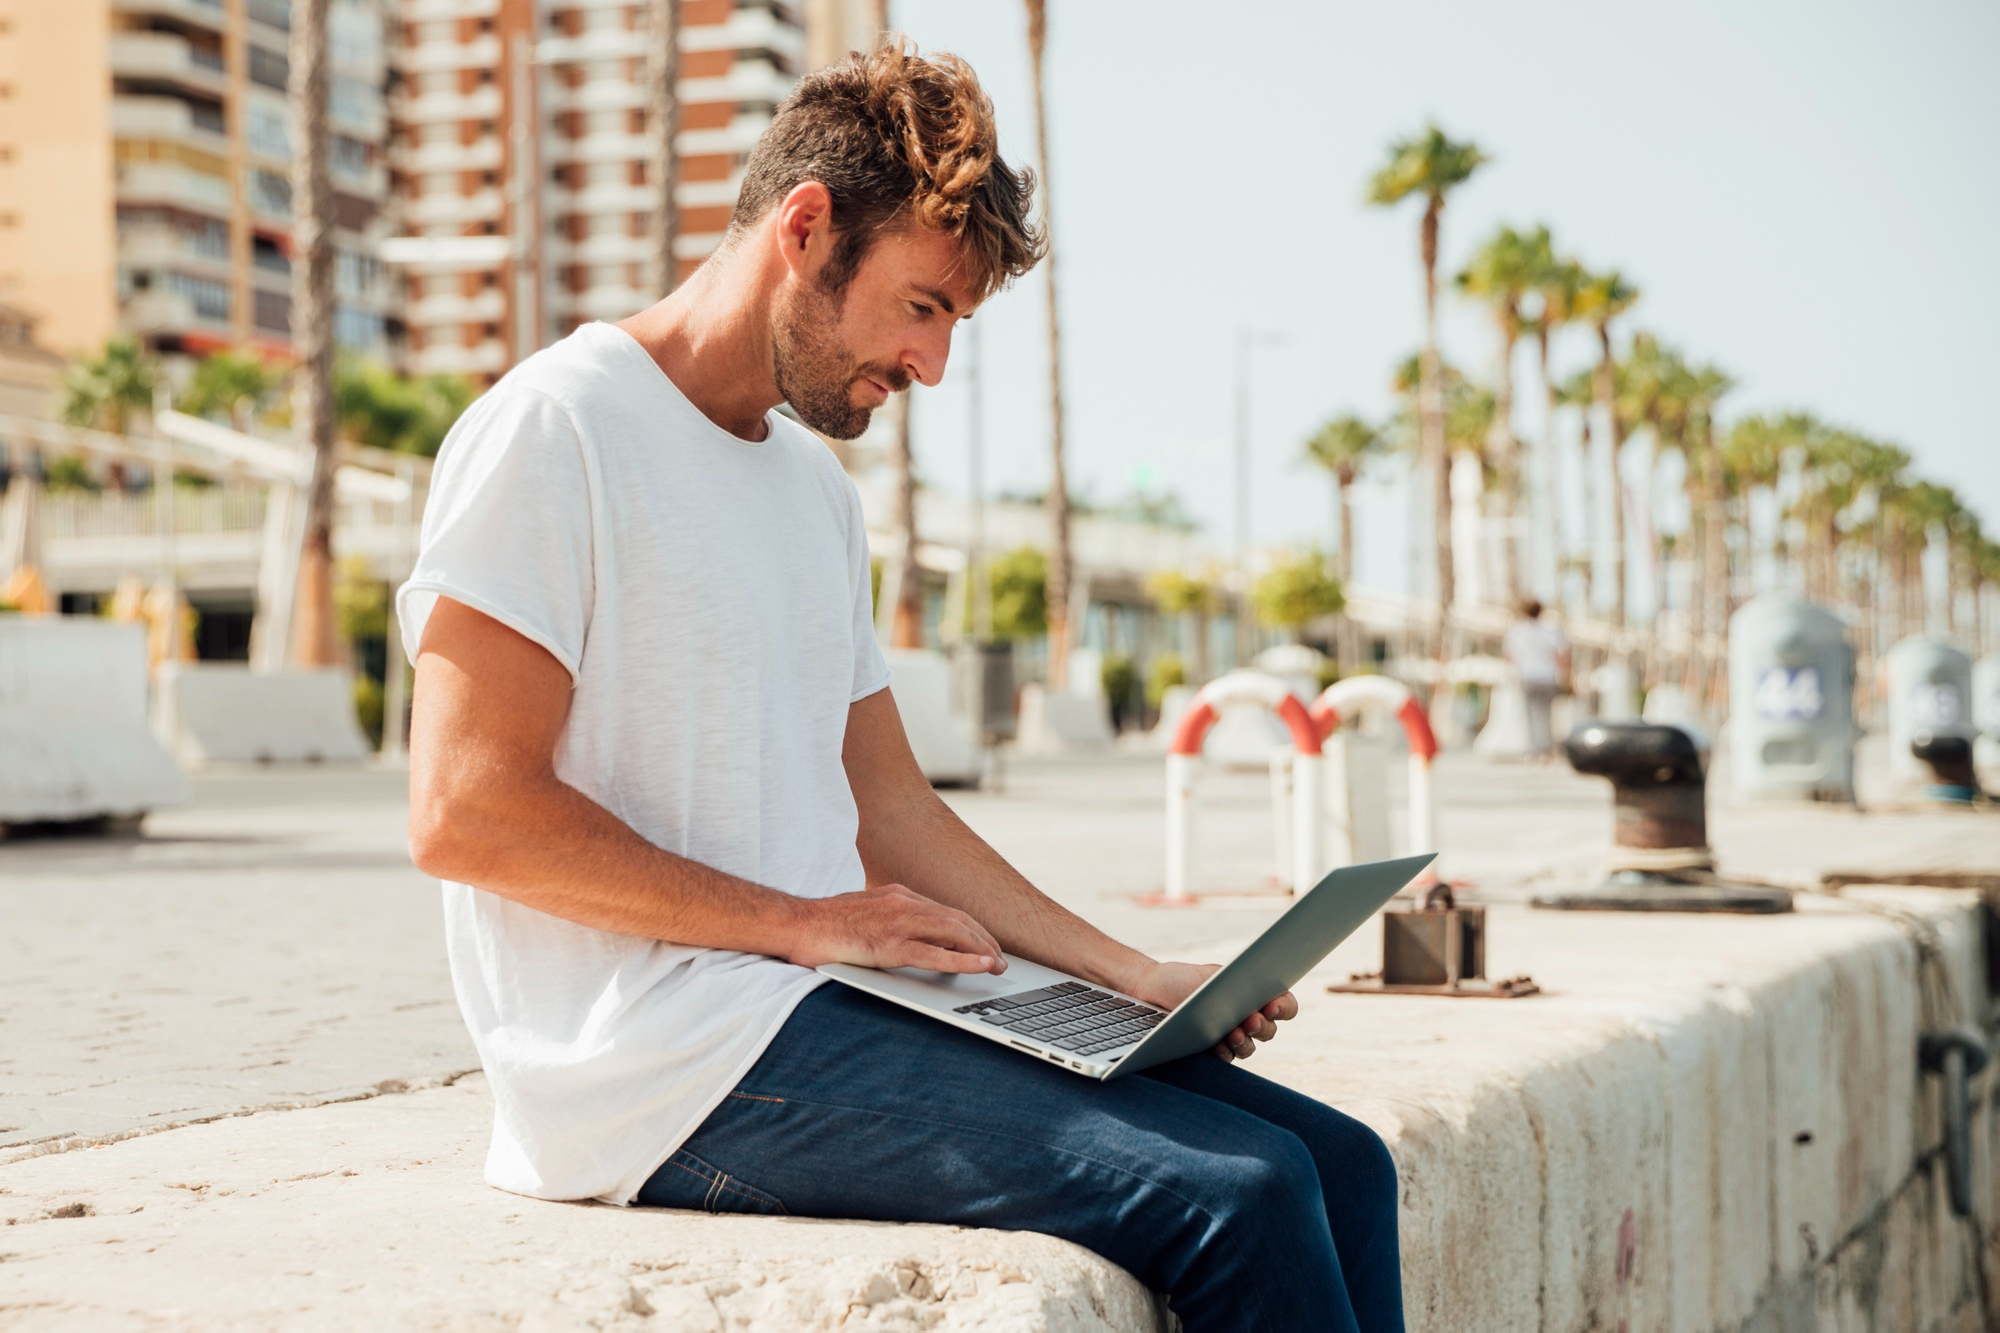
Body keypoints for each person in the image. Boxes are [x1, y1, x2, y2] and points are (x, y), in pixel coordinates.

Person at [401, 42, 1401, 1333]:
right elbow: (466, 815)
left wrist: (1132, 973)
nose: (930, 365)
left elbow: (887, 806)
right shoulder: (557, 427)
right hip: (655, 1065)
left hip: (829, 1000)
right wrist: (802, 920)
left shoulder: (812, 489)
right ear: (806, 230)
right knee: (1235, 1195)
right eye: (922, 307)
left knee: (1344, 1164)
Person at [1502, 598, 1571, 759]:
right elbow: (1560, 656)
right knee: (1546, 714)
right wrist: (1567, 677)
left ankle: (1534, 750)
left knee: (1530, 714)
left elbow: (1510, 657)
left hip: (1527, 676)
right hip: (1548, 677)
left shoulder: (1516, 631)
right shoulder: (1551, 630)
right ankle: (1546, 749)